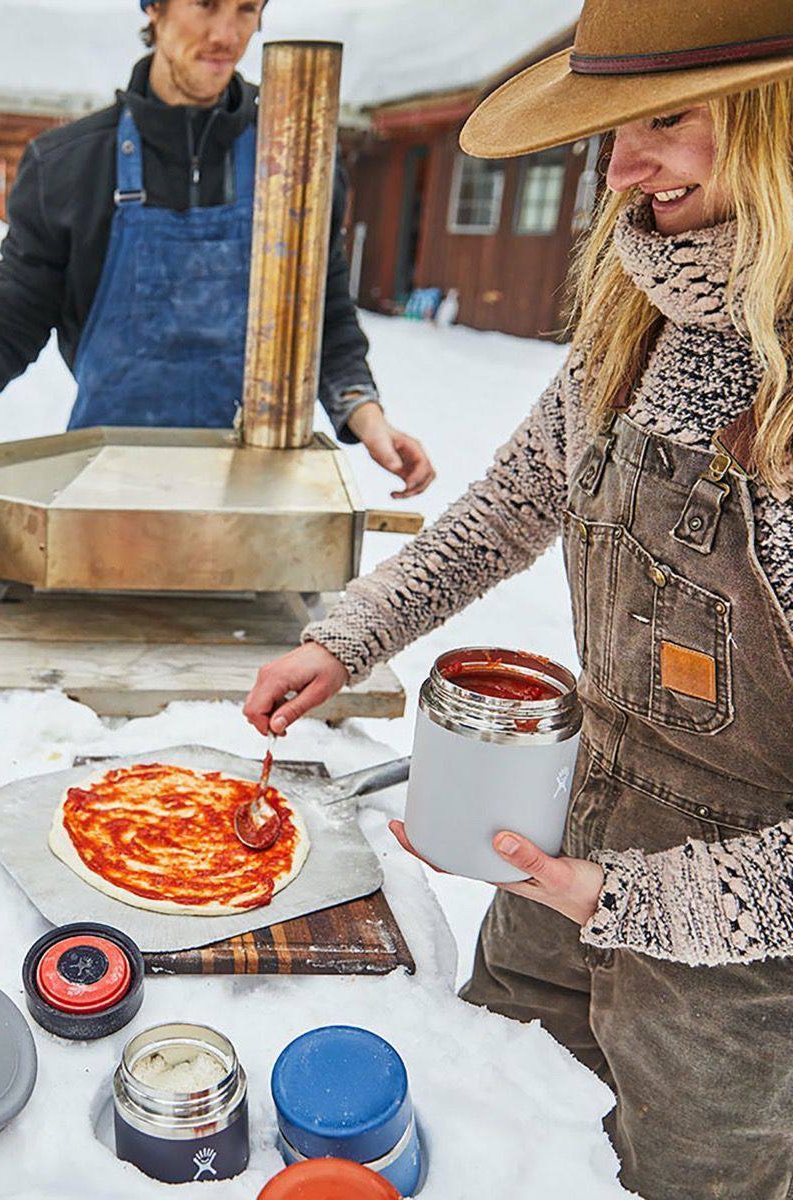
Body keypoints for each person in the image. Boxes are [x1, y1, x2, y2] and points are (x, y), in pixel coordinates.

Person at [245, 3, 793, 1196]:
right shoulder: (631, 330)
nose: (622, 167)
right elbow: (502, 512)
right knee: (492, 1130)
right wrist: (353, 635)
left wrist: (635, 899)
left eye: (667, 120)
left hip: (737, 977)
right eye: (611, 126)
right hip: (560, 854)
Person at [0, 0, 434, 498]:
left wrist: (367, 415)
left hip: (261, 496)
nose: (228, 34)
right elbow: (9, 329)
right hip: (108, 492)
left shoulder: (296, 159)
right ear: (153, 7)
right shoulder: (70, 166)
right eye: (206, 3)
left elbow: (324, 321)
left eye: (246, 8)